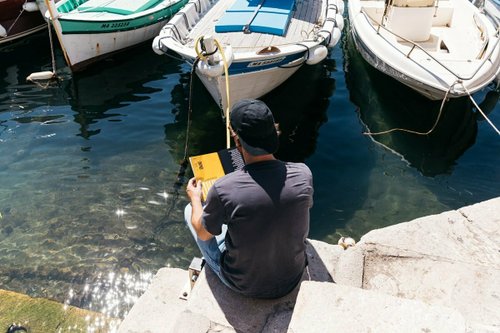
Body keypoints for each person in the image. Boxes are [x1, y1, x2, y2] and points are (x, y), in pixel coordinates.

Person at [185, 99, 313, 299]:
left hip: (243, 285)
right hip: (292, 278)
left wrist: (194, 197)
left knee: (191, 212)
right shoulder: (303, 174)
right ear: (274, 133)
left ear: (237, 142)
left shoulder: (223, 188)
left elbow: (203, 234)